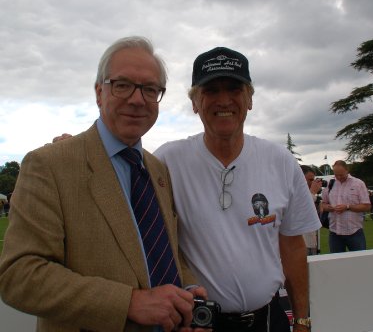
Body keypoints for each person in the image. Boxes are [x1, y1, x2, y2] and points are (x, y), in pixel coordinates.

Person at [0, 37, 207, 332]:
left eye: (149, 89)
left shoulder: (158, 171)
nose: (137, 99)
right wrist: (129, 302)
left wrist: (186, 289)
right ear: (99, 93)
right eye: (122, 84)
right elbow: (18, 276)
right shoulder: (48, 165)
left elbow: (165, 252)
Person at [154, 47, 321, 332]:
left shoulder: (279, 161)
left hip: (268, 321)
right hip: (198, 325)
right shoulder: (167, 161)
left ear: (250, 99)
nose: (224, 100)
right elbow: (122, 193)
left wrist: (303, 321)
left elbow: (293, 246)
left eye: (234, 88)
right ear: (195, 102)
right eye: (210, 90)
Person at [321, 160, 371, 253]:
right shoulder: (330, 184)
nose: (339, 177)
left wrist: (347, 207)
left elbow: (367, 206)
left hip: (354, 231)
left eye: (341, 175)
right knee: (337, 263)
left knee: (359, 261)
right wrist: (329, 208)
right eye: (336, 175)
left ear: (347, 170)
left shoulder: (358, 184)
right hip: (335, 232)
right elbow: (323, 203)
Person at [300, 165, 323, 255]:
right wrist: (313, 193)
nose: (312, 183)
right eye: (310, 180)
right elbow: (301, 208)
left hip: (311, 239)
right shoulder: (292, 191)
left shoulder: (307, 192)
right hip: (301, 241)